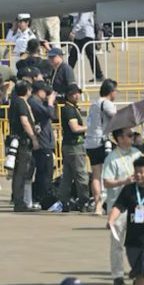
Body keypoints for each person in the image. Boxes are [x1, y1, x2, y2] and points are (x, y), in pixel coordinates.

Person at [104, 128, 142, 284]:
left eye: (133, 134)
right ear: (119, 138)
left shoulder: (137, 153)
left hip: (137, 205)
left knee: (139, 241)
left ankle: (139, 271)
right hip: (118, 206)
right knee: (117, 244)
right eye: (129, 135)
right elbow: (106, 181)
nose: (132, 137)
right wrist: (123, 181)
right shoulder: (112, 158)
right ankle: (117, 276)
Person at [55, 84, 90, 213]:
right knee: (81, 175)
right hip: (75, 145)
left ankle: (64, 201)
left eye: (78, 93)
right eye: (74, 93)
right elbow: (75, 128)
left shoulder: (71, 108)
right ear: (68, 95)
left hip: (69, 145)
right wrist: (89, 128)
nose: (77, 95)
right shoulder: (69, 110)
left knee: (68, 176)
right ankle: (84, 201)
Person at [88, 79, 120, 215]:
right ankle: (110, 203)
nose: (116, 94)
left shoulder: (94, 103)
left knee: (96, 174)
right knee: (112, 171)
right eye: (115, 91)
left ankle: (98, 206)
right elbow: (115, 118)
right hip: (103, 141)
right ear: (111, 91)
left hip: (90, 142)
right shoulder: (107, 104)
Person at [8, 80, 37, 211]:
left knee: (19, 171)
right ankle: (19, 201)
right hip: (22, 140)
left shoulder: (15, 102)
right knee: (21, 171)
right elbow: (25, 122)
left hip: (18, 138)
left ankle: (18, 199)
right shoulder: (20, 103)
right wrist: (34, 138)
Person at [29, 82, 57, 208]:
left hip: (45, 141)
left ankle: (39, 198)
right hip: (42, 142)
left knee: (44, 172)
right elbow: (50, 114)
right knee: (45, 172)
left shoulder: (39, 103)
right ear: (38, 91)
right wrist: (50, 102)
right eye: (45, 92)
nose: (47, 95)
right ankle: (43, 199)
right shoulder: (34, 102)